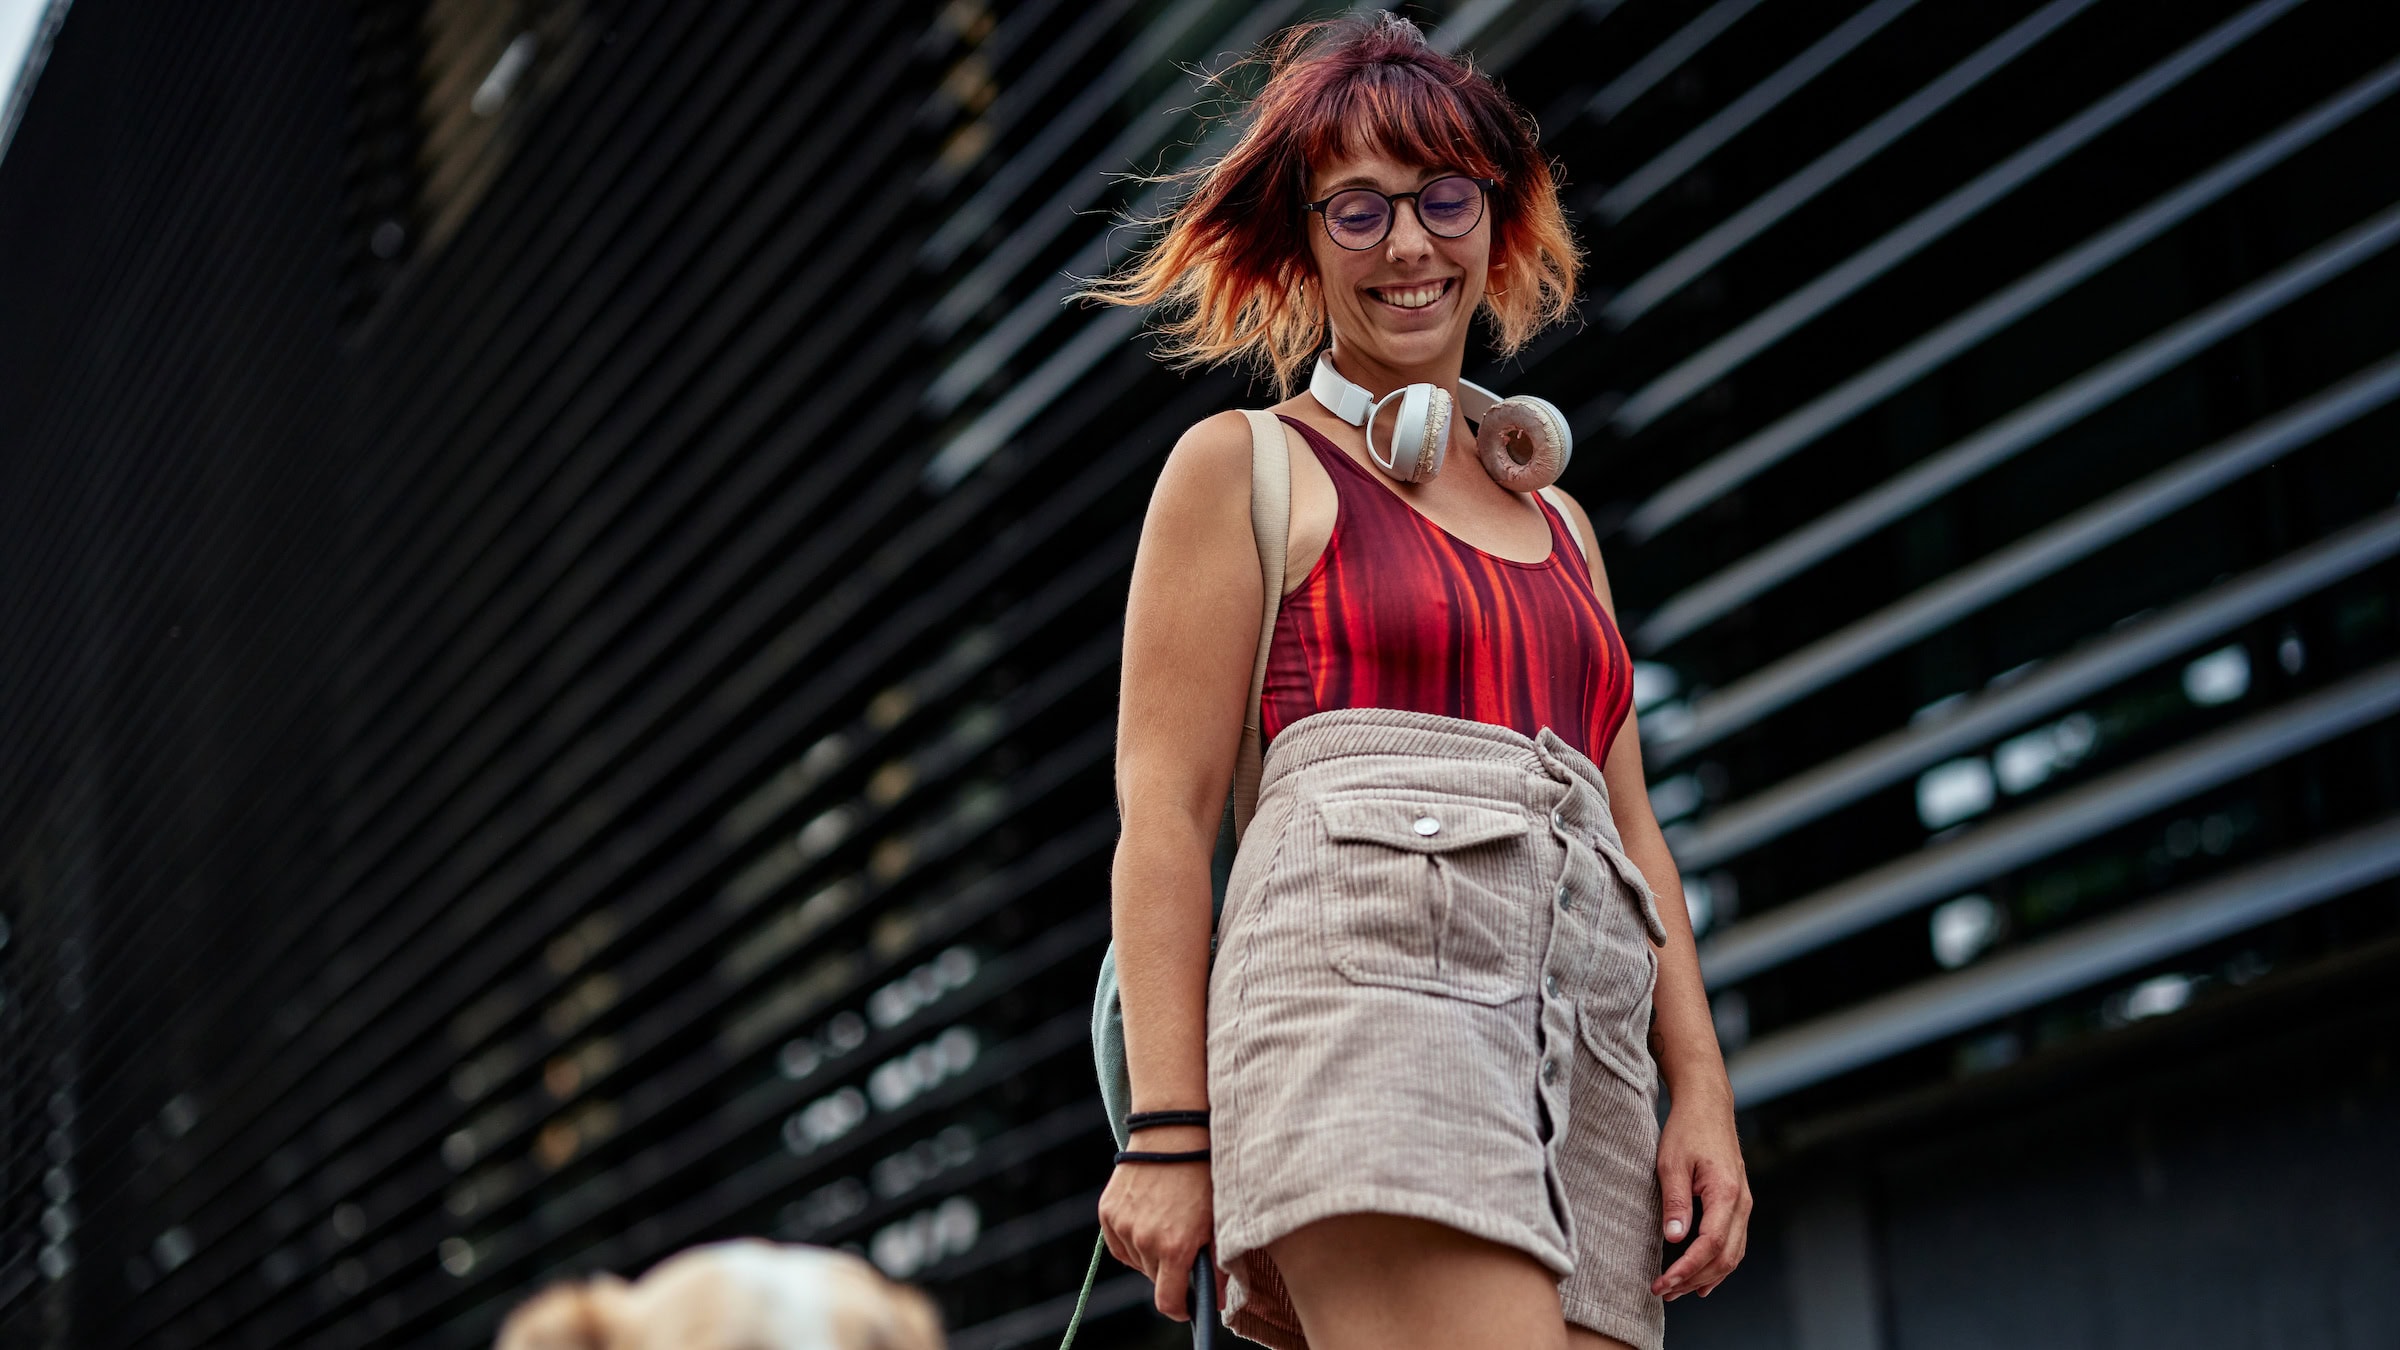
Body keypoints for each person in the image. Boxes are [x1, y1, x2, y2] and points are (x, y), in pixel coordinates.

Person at [1082, 15, 1750, 1350]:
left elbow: (1632, 833)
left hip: (1581, 1061)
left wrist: (1703, 1091)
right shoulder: (1247, 469)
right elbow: (1163, 808)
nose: (1408, 245)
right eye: (1360, 209)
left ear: (1495, 220)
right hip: (1363, 1021)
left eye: (1445, 200)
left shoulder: (1564, 527)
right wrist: (1167, 1130)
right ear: (1303, 235)